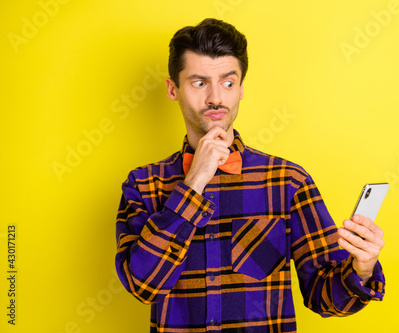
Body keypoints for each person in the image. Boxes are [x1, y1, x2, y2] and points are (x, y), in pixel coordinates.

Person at [115, 18, 385, 333]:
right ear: (173, 89)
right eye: (199, 82)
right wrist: (193, 184)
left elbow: (324, 299)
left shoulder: (288, 182)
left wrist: (362, 270)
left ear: (241, 89)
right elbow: (142, 284)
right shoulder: (143, 184)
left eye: (228, 82)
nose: (216, 98)